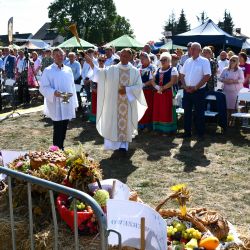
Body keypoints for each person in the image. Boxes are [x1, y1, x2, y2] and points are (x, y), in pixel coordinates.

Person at [85, 48, 147, 152]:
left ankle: (123, 146)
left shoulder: (134, 71)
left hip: (128, 103)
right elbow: (100, 74)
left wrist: (127, 90)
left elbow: (139, 86)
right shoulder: (112, 69)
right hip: (114, 102)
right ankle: (113, 145)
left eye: (126, 56)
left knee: (125, 124)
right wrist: (91, 63)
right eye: (122, 55)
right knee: (113, 122)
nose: (123, 58)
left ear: (131, 57)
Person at [39, 48, 78, 149]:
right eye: (56, 55)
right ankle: (56, 149)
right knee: (58, 126)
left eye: (61, 54)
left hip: (66, 100)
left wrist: (74, 102)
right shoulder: (48, 70)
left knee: (65, 124)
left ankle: (62, 146)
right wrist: (53, 92)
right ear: (53, 56)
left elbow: (72, 86)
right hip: (55, 102)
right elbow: (43, 87)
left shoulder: (68, 69)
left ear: (64, 55)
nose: (59, 56)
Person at [180, 42, 211, 138]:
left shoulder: (204, 61)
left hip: (199, 91)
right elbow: (181, 74)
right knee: (187, 112)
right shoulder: (187, 61)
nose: (191, 50)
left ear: (200, 51)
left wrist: (196, 87)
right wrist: (185, 86)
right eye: (191, 49)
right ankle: (187, 133)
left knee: (199, 113)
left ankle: (200, 133)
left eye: (194, 49)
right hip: (187, 91)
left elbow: (207, 76)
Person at [152, 52, 178, 134]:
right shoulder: (157, 69)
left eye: (165, 60)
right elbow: (152, 81)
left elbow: (172, 81)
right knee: (158, 110)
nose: (162, 61)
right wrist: (157, 87)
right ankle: (158, 129)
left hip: (168, 93)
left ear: (169, 60)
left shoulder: (173, 69)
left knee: (166, 111)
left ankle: (167, 130)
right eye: (161, 60)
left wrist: (162, 88)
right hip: (158, 93)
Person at [219, 55, 244, 126]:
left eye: (234, 60)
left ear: (237, 62)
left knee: (233, 107)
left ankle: (232, 122)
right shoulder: (225, 69)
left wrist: (233, 81)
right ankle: (226, 122)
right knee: (226, 107)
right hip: (226, 90)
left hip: (235, 91)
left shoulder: (239, 70)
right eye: (231, 60)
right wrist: (224, 80)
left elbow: (242, 80)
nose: (232, 61)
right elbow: (220, 78)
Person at [138, 52, 155, 131]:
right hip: (139, 91)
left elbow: (153, 80)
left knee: (148, 108)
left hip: (148, 91)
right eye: (140, 59)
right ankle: (140, 124)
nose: (141, 60)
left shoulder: (152, 67)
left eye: (143, 58)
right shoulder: (138, 67)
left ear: (148, 58)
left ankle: (148, 125)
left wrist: (144, 84)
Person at [89, 55, 106, 123]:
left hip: (103, 89)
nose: (101, 62)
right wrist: (93, 88)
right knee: (94, 103)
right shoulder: (94, 69)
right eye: (100, 60)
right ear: (98, 61)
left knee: (102, 104)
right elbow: (91, 79)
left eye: (103, 61)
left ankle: (102, 118)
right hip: (95, 89)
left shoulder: (107, 69)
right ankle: (94, 119)